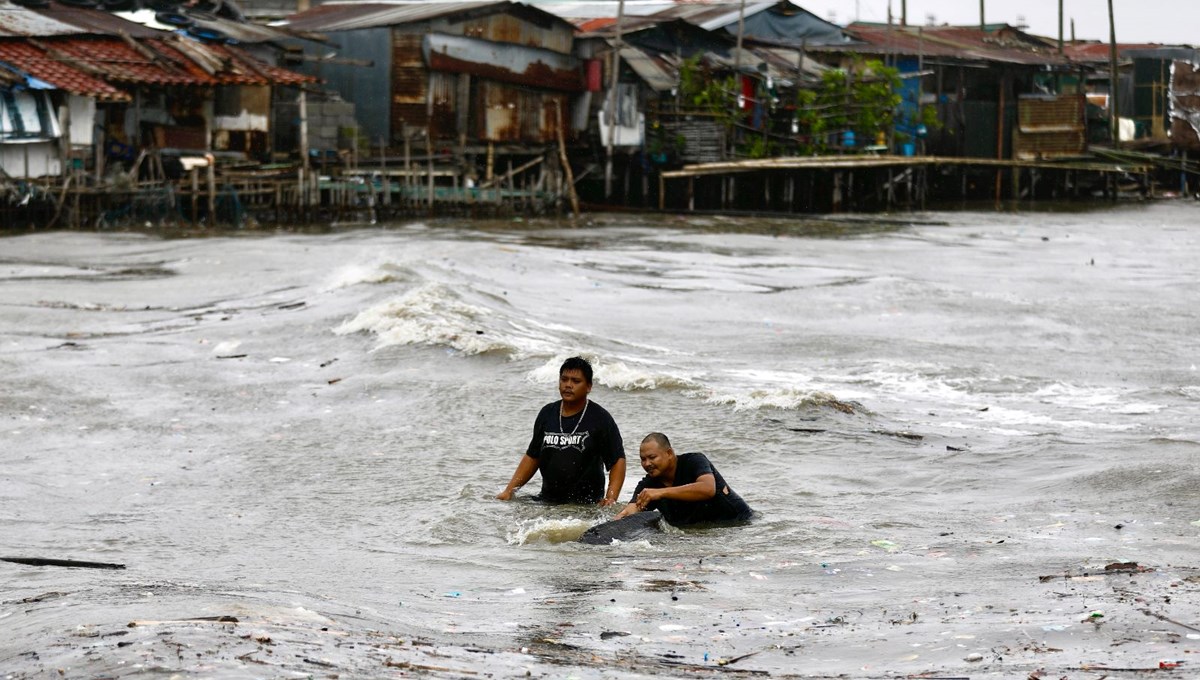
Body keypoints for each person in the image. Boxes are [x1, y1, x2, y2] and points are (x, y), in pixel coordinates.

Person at [496, 356, 626, 505]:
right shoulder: (547, 413)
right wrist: (509, 491)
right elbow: (533, 457)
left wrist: (610, 498)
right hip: (547, 501)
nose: (568, 385)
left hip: (586, 505)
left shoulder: (600, 418)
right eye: (564, 379)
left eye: (576, 381)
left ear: (589, 386)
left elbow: (617, 460)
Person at [613, 432, 753, 526]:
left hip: (739, 523)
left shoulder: (694, 461)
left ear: (669, 453)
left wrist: (661, 492)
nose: (647, 464)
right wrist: (616, 521)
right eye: (643, 459)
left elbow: (708, 489)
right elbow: (632, 510)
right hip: (699, 531)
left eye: (652, 457)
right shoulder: (649, 484)